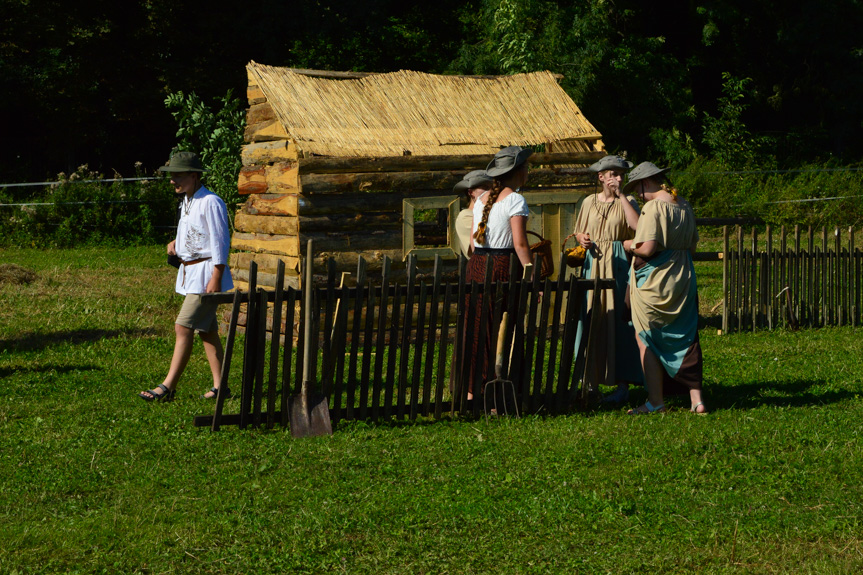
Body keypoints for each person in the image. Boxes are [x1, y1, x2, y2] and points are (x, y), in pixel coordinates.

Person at [139, 151, 234, 402]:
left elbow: (220, 241)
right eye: (171, 176)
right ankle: (221, 387)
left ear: (193, 176)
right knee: (207, 332)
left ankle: (167, 387)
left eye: (178, 175)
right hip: (191, 273)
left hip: (206, 276)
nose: (172, 181)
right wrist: (176, 243)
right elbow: (196, 233)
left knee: (183, 326)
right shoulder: (188, 200)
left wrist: (216, 276)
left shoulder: (211, 201)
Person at [623, 162, 706, 414]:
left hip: (656, 280)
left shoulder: (653, 207)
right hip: (683, 277)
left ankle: (656, 401)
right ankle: (697, 401)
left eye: (638, 188)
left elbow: (647, 248)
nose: (638, 195)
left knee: (646, 337)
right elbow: (692, 247)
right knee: (686, 336)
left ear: (646, 182)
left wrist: (629, 245)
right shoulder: (685, 204)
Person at [463, 146, 533, 399]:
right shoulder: (515, 200)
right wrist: (530, 274)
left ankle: (473, 390)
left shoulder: (481, 199)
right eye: (526, 168)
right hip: (502, 266)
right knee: (501, 328)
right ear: (518, 172)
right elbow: (520, 244)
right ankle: (495, 393)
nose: (528, 172)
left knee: (477, 327)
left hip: (477, 266)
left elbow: (473, 244)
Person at [572, 155, 643, 403]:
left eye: (621, 174)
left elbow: (639, 231)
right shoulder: (589, 202)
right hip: (592, 265)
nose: (618, 178)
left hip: (619, 266)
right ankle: (589, 381)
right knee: (592, 318)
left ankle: (622, 383)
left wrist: (622, 195)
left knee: (620, 320)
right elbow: (578, 230)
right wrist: (581, 238)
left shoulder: (629, 201)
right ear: (601, 177)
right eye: (612, 174)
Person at [453, 170, 493, 259]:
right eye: (485, 188)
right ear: (471, 192)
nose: (490, 192)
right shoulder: (465, 216)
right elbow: (480, 244)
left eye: (491, 188)